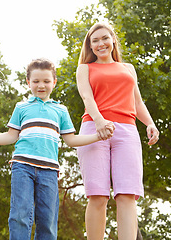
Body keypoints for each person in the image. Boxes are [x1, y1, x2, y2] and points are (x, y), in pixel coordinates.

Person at [0, 58, 114, 240]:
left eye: (46, 81)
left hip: (49, 172)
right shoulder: (21, 107)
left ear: (54, 82)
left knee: (48, 220)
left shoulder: (60, 110)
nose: (41, 85)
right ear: (28, 82)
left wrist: (98, 136)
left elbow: (71, 140)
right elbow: (11, 135)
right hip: (22, 167)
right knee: (19, 215)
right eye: (36, 81)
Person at [76, 22, 159, 240]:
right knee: (98, 195)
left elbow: (137, 102)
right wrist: (100, 121)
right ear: (90, 46)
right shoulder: (85, 68)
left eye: (104, 38)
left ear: (112, 39)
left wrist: (149, 123)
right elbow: (87, 98)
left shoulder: (128, 68)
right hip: (94, 129)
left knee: (127, 195)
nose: (101, 43)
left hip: (127, 132)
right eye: (95, 41)